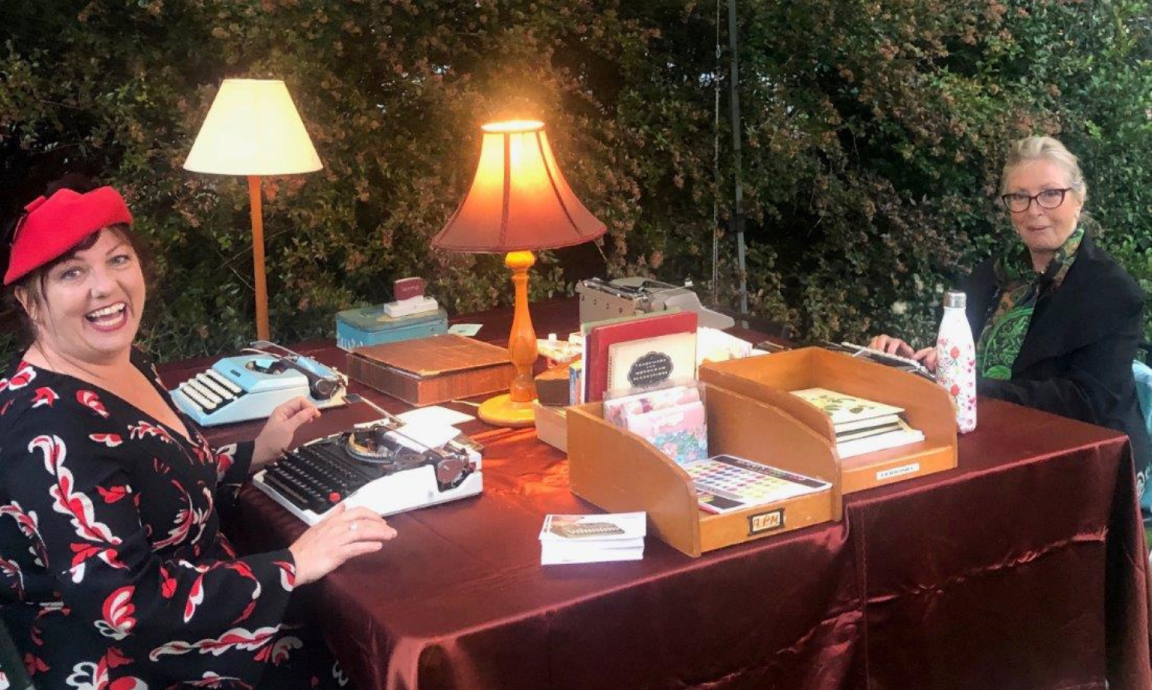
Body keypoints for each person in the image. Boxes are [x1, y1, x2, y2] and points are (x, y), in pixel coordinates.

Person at [0, 180, 397, 688]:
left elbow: (159, 474)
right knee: (362, 650)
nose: (105, 287)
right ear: (31, 303)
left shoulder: (125, 363)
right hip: (129, 659)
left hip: (188, 614)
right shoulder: (47, 421)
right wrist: (294, 562)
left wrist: (257, 450)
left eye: (118, 259)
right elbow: (124, 606)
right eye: (72, 272)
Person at [870, 135, 1150, 494]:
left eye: (1051, 194)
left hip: (1085, 463)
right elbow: (960, 354)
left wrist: (972, 390)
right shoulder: (993, 275)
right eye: (1019, 197)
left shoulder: (1111, 291)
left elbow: (1088, 402)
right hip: (992, 439)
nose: (1034, 210)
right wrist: (918, 362)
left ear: (1079, 199)